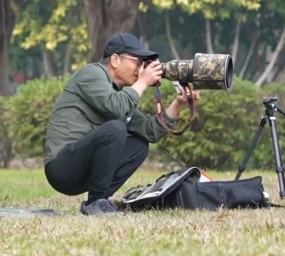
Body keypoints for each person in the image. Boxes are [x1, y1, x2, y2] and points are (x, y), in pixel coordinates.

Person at [43, 33, 199, 216]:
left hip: (82, 169)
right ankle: (96, 202)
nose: (141, 69)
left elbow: (151, 132)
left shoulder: (117, 95)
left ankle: (99, 200)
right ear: (115, 60)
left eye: (144, 64)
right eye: (138, 62)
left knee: (139, 145)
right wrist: (142, 82)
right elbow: (116, 106)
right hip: (62, 167)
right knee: (116, 128)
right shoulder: (92, 73)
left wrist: (178, 103)